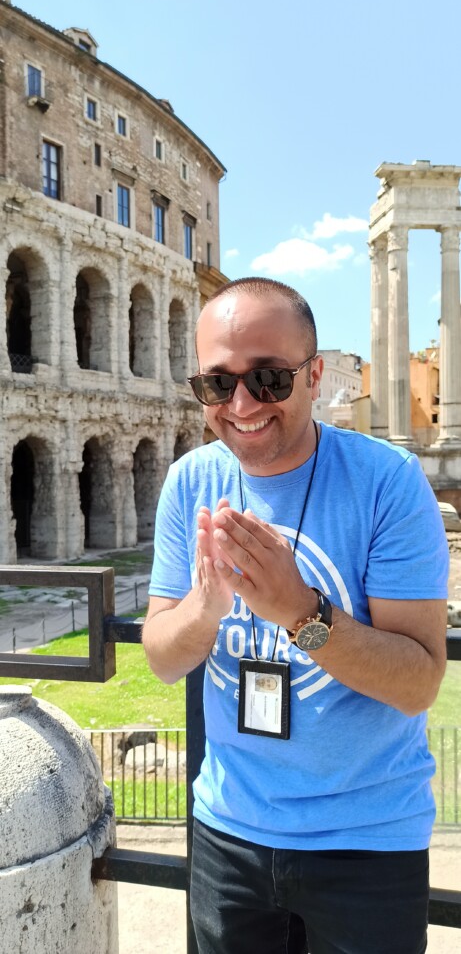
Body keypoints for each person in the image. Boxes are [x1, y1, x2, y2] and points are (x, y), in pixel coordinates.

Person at [142, 277, 449, 954]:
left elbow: (417, 681)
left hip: (366, 842)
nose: (243, 404)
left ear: (313, 375)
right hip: (227, 832)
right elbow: (163, 658)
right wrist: (206, 607)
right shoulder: (191, 482)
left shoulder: (387, 483)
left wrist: (297, 610)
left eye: (269, 378)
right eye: (217, 385)